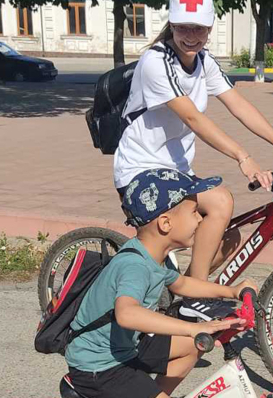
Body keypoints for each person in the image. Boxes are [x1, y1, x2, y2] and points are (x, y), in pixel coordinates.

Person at [113, 0, 273, 318]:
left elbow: (238, 104)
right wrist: (243, 157)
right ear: (171, 25)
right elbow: (193, 117)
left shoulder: (204, 61)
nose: (191, 36)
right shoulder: (155, 61)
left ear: (209, 28)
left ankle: (184, 296)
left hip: (175, 172)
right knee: (220, 200)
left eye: (199, 29)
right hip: (140, 171)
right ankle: (195, 299)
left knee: (230, 237)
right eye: (183, 27)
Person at [65, 168, 257, 398]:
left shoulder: (155, 255)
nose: (200, 218)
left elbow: (182, 284)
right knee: (193, 335)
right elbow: (127, 314)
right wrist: (192, 328)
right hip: (100, 367)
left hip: (127, 346)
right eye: (194, 212)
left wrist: (232, 291)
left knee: (195, 345)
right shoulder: (135, 266)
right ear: (165, 223)